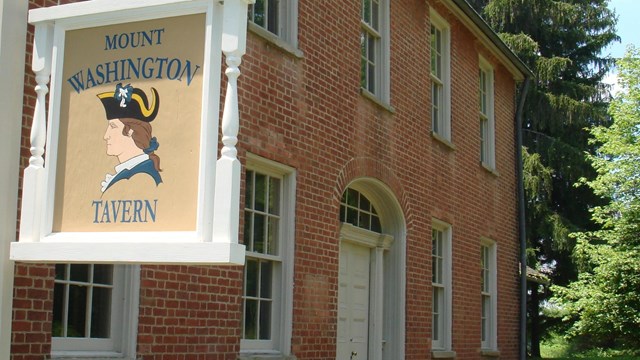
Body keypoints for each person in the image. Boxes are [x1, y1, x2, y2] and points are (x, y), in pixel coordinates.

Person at [97, 83, 162, 193]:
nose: (106, 136)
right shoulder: (131, 172)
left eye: (113, 127)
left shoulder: (142, 177)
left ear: (131, 132)